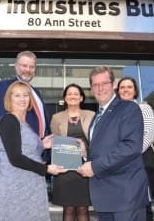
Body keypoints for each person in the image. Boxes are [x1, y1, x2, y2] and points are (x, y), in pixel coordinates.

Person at [77, 66, 149, 221]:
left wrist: (94, 167)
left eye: (104, 83)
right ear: (91, 89)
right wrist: (85, 154)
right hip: (105, 199)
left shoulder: (129, 108)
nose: (100, 88)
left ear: (113, 85)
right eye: (95, 85)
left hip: (126, 197)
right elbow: (103, 150)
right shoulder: (96, 117)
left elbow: (131, 147)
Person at [0, 81, 66, 221]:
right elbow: (15, 158)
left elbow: (25, 148)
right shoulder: (9, 120)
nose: (22, 99)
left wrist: (42, 145)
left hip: (31, 187)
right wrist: (46, 168)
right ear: (9, 98)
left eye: (26, 95)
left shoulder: (26, 124)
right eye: (17, 95)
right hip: (15, 189)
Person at [51, 83, 95, 221]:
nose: (72, 96)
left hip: (85, 167)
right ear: (65, 98)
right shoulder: (56, 118)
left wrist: (84, 150)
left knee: (83, 207)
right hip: (65, 169)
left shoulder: (92, 115)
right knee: (68, 207)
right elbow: (55, 142)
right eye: (69, 94)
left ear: (81, 98)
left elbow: (97, 141)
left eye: (76, 94)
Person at [116, 76, 154, 221]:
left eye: (129, 87)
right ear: (118, 91)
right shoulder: (116, 115)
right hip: (122, 164)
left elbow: (148, 134)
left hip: (143, 161)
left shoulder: (143, 108)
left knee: (143, 205)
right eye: (122, 87)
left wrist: (130, 154)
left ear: (135, 91)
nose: (125, 90)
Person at [0, 50, 50, 138]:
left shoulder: (36, 92)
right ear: (16, 66)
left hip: (40, 147)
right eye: (24, 66)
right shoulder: (5, 86)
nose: (28, 70)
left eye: (31, 67)